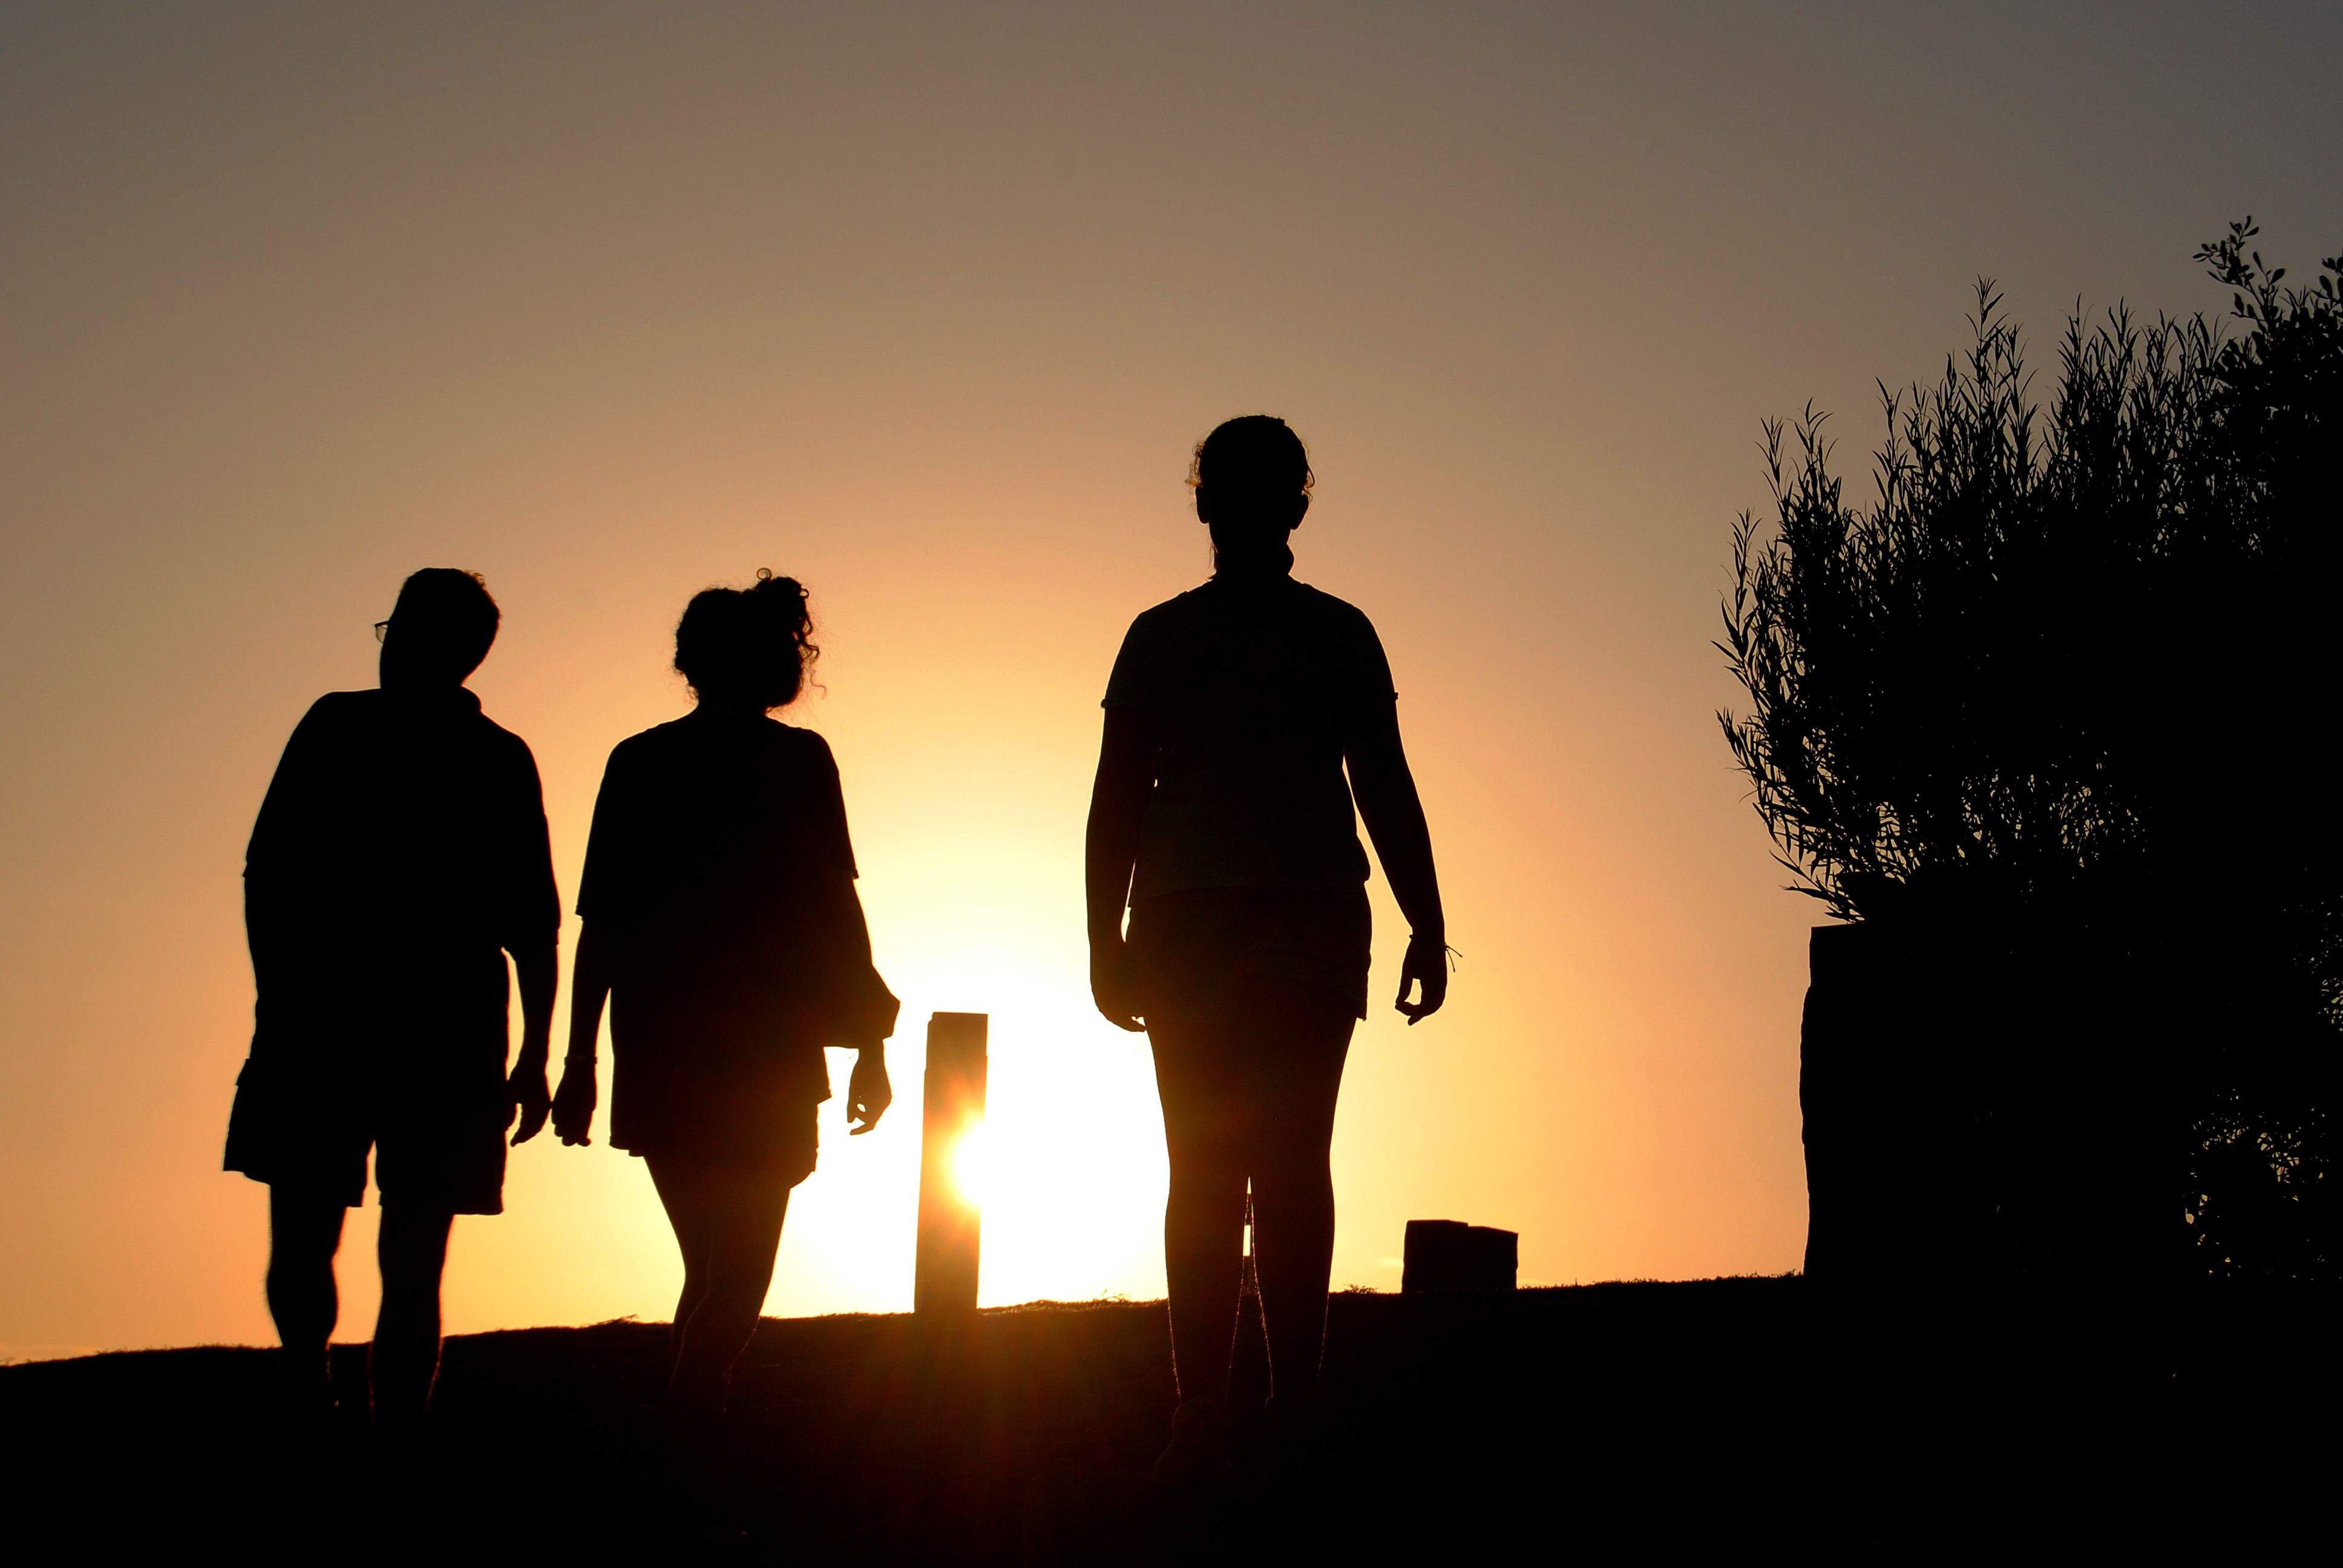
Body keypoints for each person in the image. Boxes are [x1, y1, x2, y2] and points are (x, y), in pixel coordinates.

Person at [1085, 416, 1450, 1484]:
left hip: (1238, 920)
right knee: (1272, 1165)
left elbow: (1119, 802)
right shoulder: (1319, 632)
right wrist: (1426, 917)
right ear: (1292, 503)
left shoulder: (1182, 636)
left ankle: (1233, 1409)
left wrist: (1104, 936)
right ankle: (1256, 1407)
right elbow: (1381, 781)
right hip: (1255, 921)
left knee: (1223, 1168)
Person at [553, 570, 897, 1439]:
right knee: (735, 1269)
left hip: (664, 1042)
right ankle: (687, 1423)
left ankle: (687, 1428)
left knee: (712, 1265)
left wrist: (580, 1060)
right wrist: (870, 1047)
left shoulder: (640, 761)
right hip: (763, 1048)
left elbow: (603, 927)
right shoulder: (797, 760)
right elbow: (835, 914)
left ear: (690, 663)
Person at [224, 568, 560, 1434]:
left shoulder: (345, 728)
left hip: (340, 1022)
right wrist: (535, 1052)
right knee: (387, 1250)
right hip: (419, 1027)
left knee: (334, 1238)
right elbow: (535, 924)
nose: (389, 644)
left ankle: (334, 1402)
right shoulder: (493, 755)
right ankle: (359, 1414)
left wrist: (280, 994)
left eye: (399, 628)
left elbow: (269, 871)